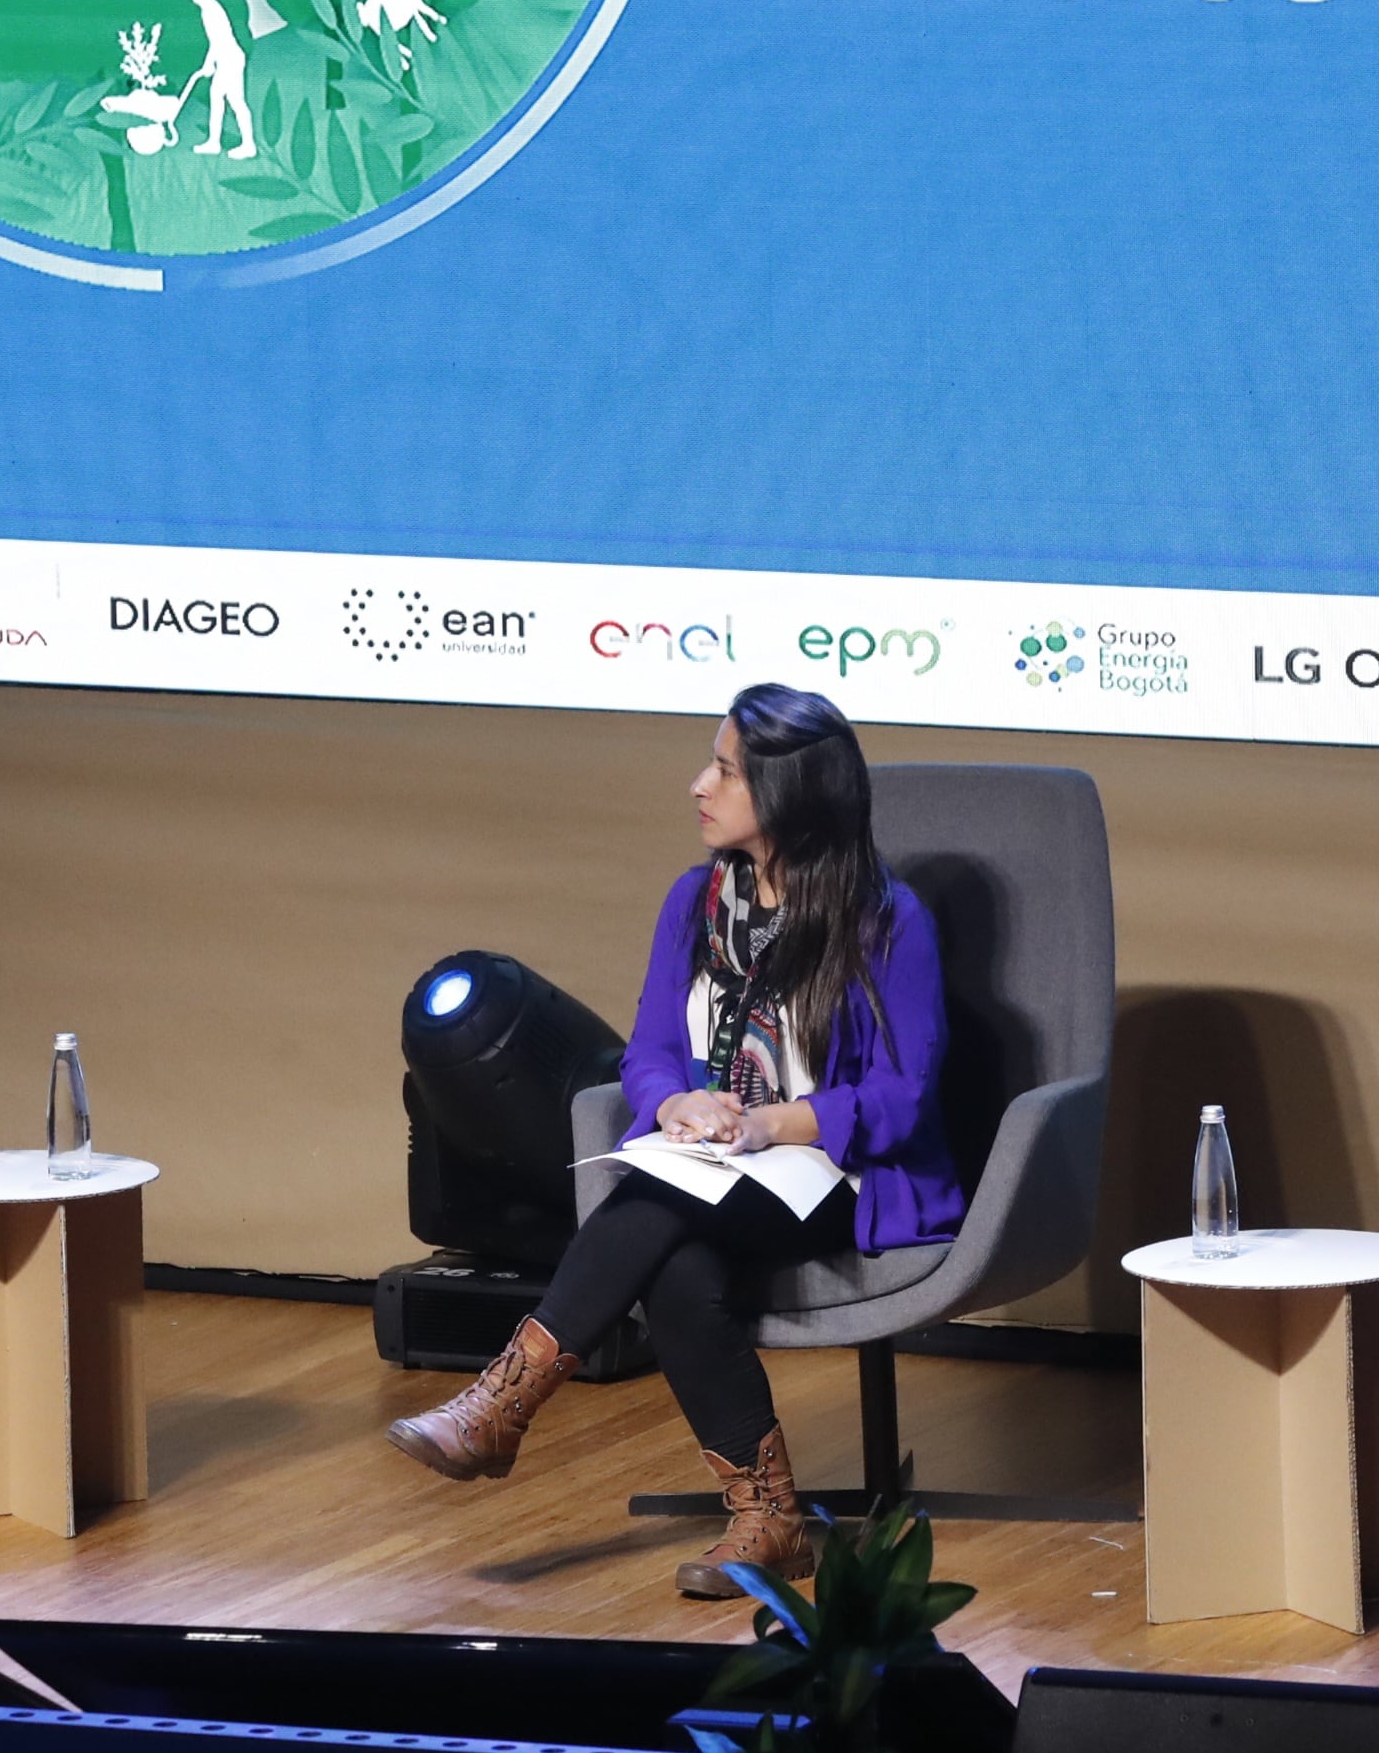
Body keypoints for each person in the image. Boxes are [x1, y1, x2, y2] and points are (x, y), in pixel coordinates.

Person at [385, 685, 963, 1598]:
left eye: (725, 770)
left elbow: (901, 1097)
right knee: (679, 1270)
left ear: (788, 793)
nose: (699, 785)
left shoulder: (888, 923)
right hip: (717, 1161)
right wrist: (675, 1105)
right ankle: (768, 1524)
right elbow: (648, 1051)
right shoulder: (693, 904)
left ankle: (503, 1402)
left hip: (840, 1170)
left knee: (654, 1205)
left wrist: (777, 1122)